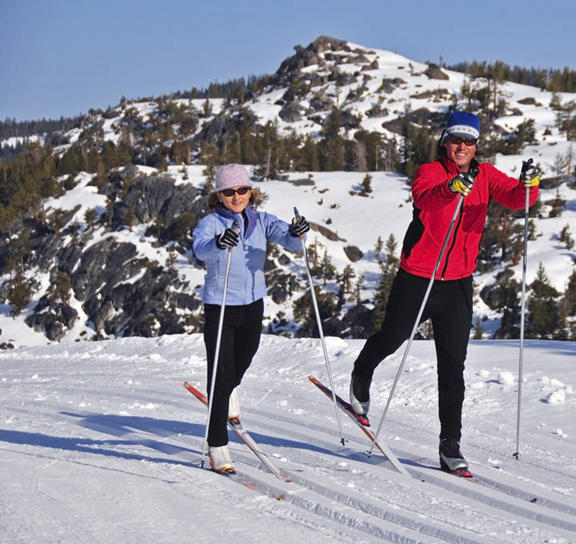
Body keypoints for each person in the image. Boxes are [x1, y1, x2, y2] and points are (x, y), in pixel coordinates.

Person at [348, 111, 539, 476]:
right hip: (419, 275)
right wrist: (452, 189)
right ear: (445, 142)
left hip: (457, 283)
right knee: (393, 337)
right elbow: (426, 200)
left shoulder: (485, 175)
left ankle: (450, 445)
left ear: (476, 146)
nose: (462, 147)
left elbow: (517, 199)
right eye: (456, 140)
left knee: (453, 367)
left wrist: (529, 184)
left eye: (469, 142)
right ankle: (362, 370)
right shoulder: (430, 173)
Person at [192, 163, 309, 473]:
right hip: (220, 306)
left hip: (252, 304)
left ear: (250, 192)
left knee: (244, 358)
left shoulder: (261, 220)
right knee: (220, 373)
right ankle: (217, 444)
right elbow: (200, 250)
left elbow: (291, 241)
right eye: (229, 192)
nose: (236, 196)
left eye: (242, 190)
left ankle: (228, 393)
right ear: (218, 195)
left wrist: (297, 232)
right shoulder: (211, 223)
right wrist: (219, 243)